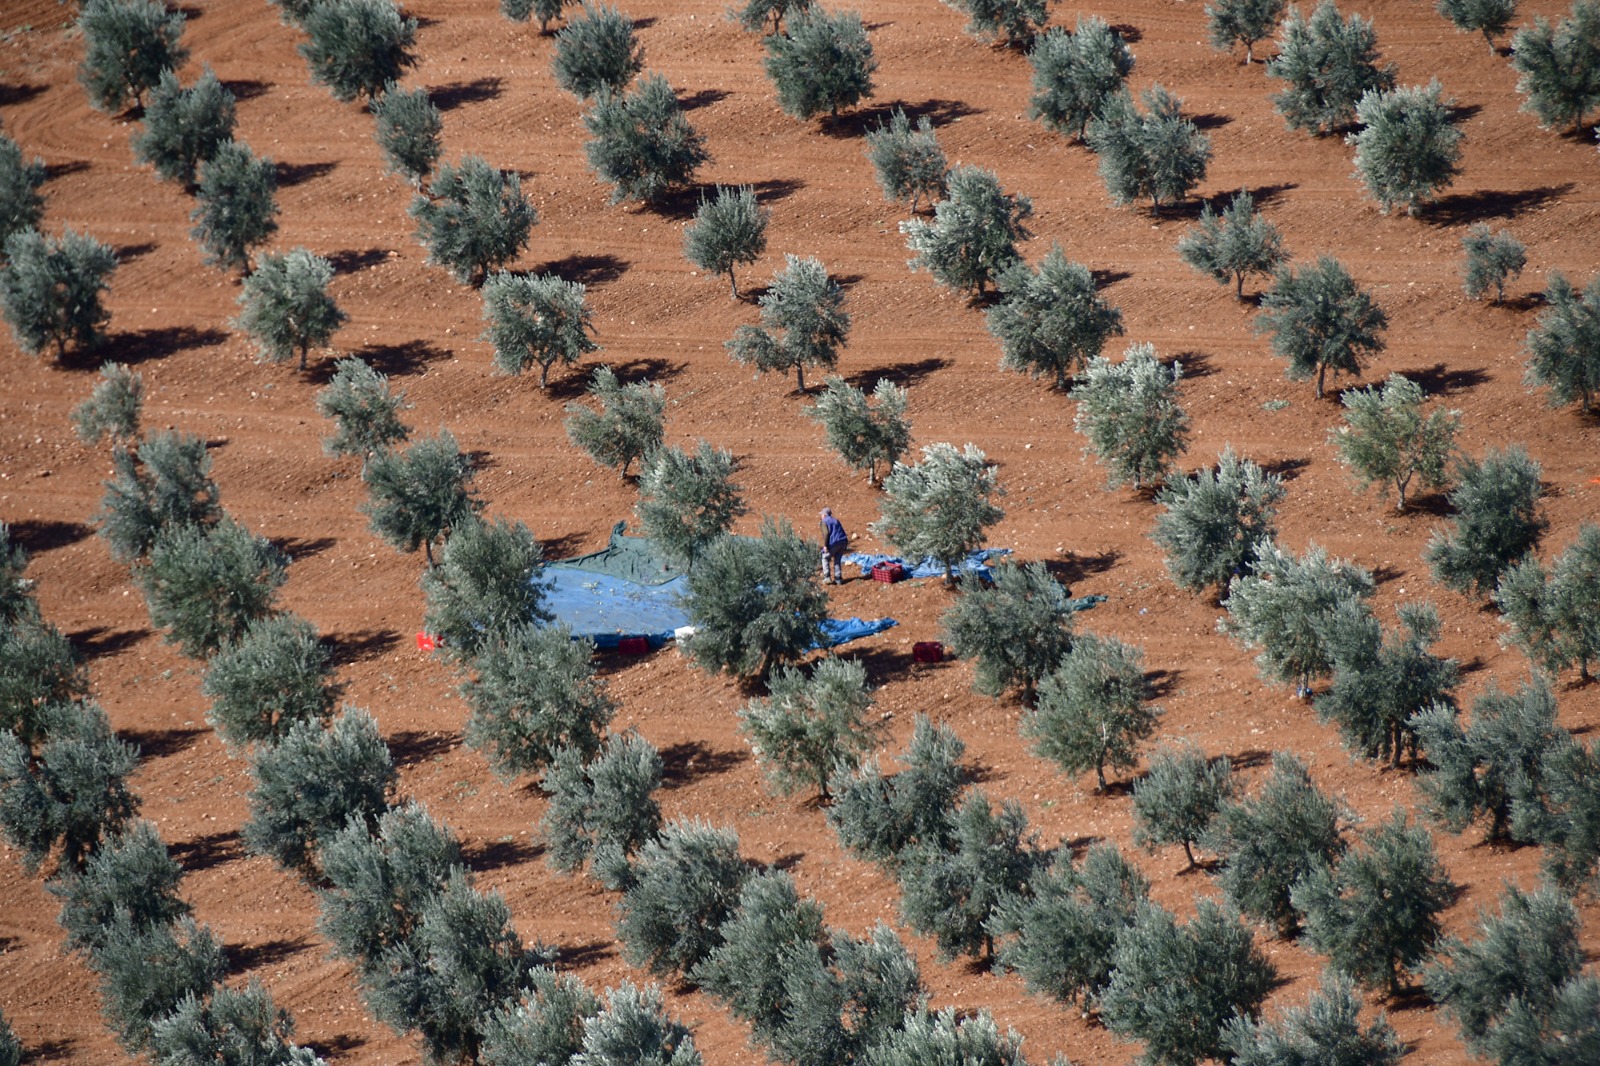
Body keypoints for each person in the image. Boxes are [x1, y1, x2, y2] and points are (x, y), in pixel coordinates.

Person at [820, 507, 848, 584]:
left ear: (824, 515)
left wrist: (825, 546)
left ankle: (827, 577)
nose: (821, 516)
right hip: (843, 542)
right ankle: (838, 579)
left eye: (821, 514)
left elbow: (826, 533)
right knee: (837, 560)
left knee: (824, 557)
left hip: (834, 543)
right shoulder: (836, 520)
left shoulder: (824, 521)